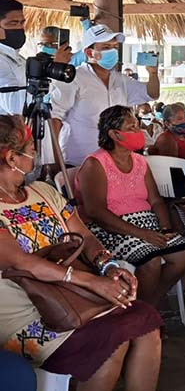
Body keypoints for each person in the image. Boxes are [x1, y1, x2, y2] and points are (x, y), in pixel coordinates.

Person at [0, 115, 162, 390]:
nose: (35, 152)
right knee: (111, 344)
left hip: (74, 296)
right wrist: (92, 282)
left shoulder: (43, 191)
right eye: (29, 147)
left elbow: (84, 235)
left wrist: (108, 266)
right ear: (11, 158)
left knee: (146, 323)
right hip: (26, 315)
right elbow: (22, 263)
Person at [76, 106, 185, 308]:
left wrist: (164, 228)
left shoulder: (140, 161)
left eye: (137, 126)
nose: (138, 132)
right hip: (111, 228)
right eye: (131, 127)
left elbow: (156, 200)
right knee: (151, 260)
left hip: (146, 223)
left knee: (184, 253)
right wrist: (142, 234)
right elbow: (96, 212)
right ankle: (145, 313)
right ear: (114, 134)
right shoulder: (95, 164)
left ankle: (148, 303)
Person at [50, 24, 160, 166]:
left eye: (114, 47)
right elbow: (55, 119)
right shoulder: (75, 78)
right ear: (89, 53)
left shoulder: (120, 80)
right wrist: (55, 161)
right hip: (80, 162)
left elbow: (152, 93)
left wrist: (153, 73)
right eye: (106, 47)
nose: (113, 51)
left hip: (115, 163)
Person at [152, 104, 185, 178]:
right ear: (167, 123)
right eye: (180, 119)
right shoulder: (167, 139)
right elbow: (175, 171)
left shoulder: (183, 136)